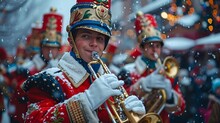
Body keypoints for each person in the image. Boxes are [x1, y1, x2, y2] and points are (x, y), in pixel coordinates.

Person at [22, 0, 146, 122]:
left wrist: (129, 117)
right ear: (71, 40)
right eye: (86, 36)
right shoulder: (48, 80)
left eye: (100, 38)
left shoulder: (111, 82)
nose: (94, 44)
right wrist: (86, 102)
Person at [117, 11, 185, 123]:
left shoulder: (167, 72)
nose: (155, 50)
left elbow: (180, 109)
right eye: (150, 45)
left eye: (158, 46)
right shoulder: (127, 71)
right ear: (142, 48)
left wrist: (170, 95)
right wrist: (142, 85)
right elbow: (120, 103)